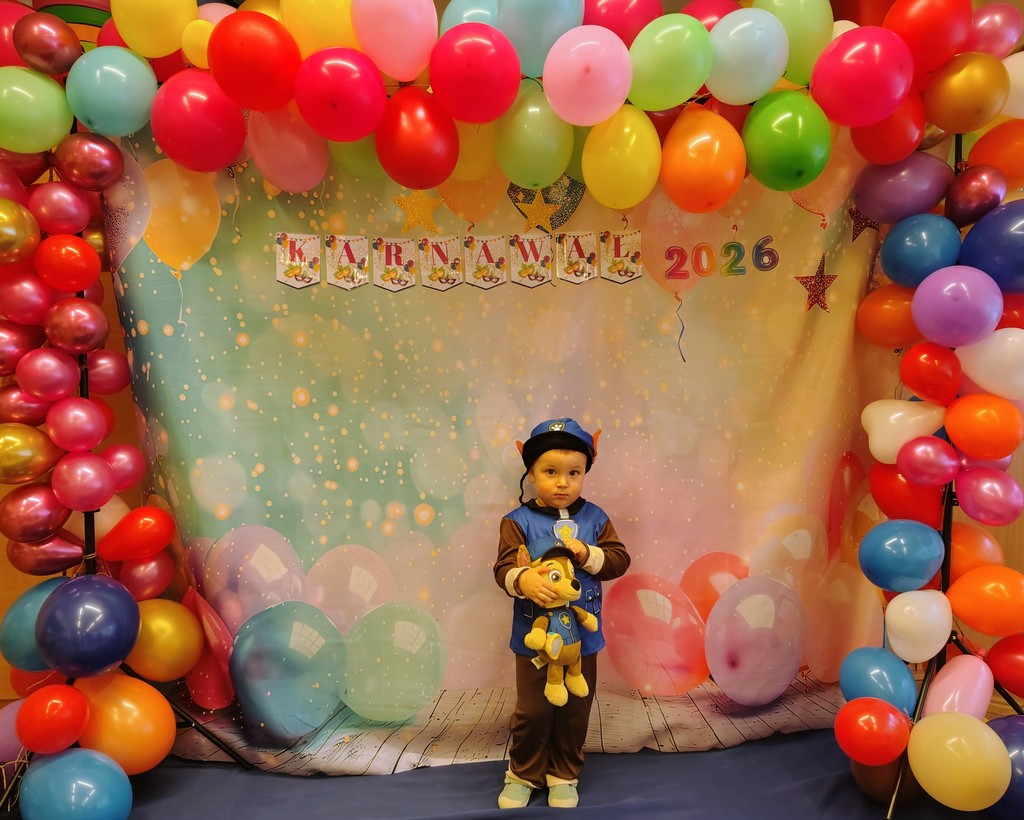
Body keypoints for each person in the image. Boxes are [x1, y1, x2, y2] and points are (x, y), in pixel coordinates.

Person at [493, 417, 630, 809]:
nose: (562, 483)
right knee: (534, 710)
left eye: (574, 473)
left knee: (574, 710)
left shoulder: (595, 518)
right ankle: (524, 773)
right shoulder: (517, 522)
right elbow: (503, 568)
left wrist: (589, 554)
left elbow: (619, 560)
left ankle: (564, 773)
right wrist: (522, 579)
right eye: (550, 472)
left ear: (585, 472)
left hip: (582, 639)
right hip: (534, 637)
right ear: (532, 472)